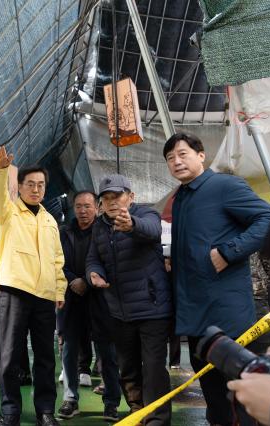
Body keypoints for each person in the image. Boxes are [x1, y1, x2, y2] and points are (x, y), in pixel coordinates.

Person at [164, 133, 270, 425]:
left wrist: (230, 251)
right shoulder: (181, 198)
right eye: (170, 158)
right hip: (195, 316)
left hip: (227, 314)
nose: (176, 161)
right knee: (214, 398)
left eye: (183, 154)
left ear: (201, 155)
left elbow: (267, 218)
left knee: (239, 396)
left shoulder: (224, 185)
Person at [0, 146, 67, 426]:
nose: (36, 189)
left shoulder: (49, 220)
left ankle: (46, 411)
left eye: (40, 185)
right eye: (30, 184)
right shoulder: (8, 212)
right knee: (10, 354)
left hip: (44, 295)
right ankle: (11, 411)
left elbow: (58, 259)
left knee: (46, 356)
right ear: (19, 187)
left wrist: (59, 290)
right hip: (15, 290)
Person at [86, 174, 173, 425]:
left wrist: (131, 224)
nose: (112, 202)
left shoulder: (147, 215)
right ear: (100, 203)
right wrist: (94, 273)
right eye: (106, 198)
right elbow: (94, 257)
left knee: (155, 368)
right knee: (128, 368)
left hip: (152, 309)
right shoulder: (99, 226)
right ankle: (138, 411)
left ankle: (157, 420)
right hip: (118, 311)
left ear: (131, 197)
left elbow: (152, 230)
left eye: (117, 196)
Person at [56, 191, 121, 422]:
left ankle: (111, 402)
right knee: (69, 350)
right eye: (78, 206)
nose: (83, 211)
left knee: (107, 352)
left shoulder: (106, 231)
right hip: (71, 299)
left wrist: (87, 280)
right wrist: (73, 279)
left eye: (88, 206)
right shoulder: (64, 232)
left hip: (100, 299)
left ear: (97, 208)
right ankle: (70, 399)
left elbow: (110, 261)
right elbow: (56, 261)